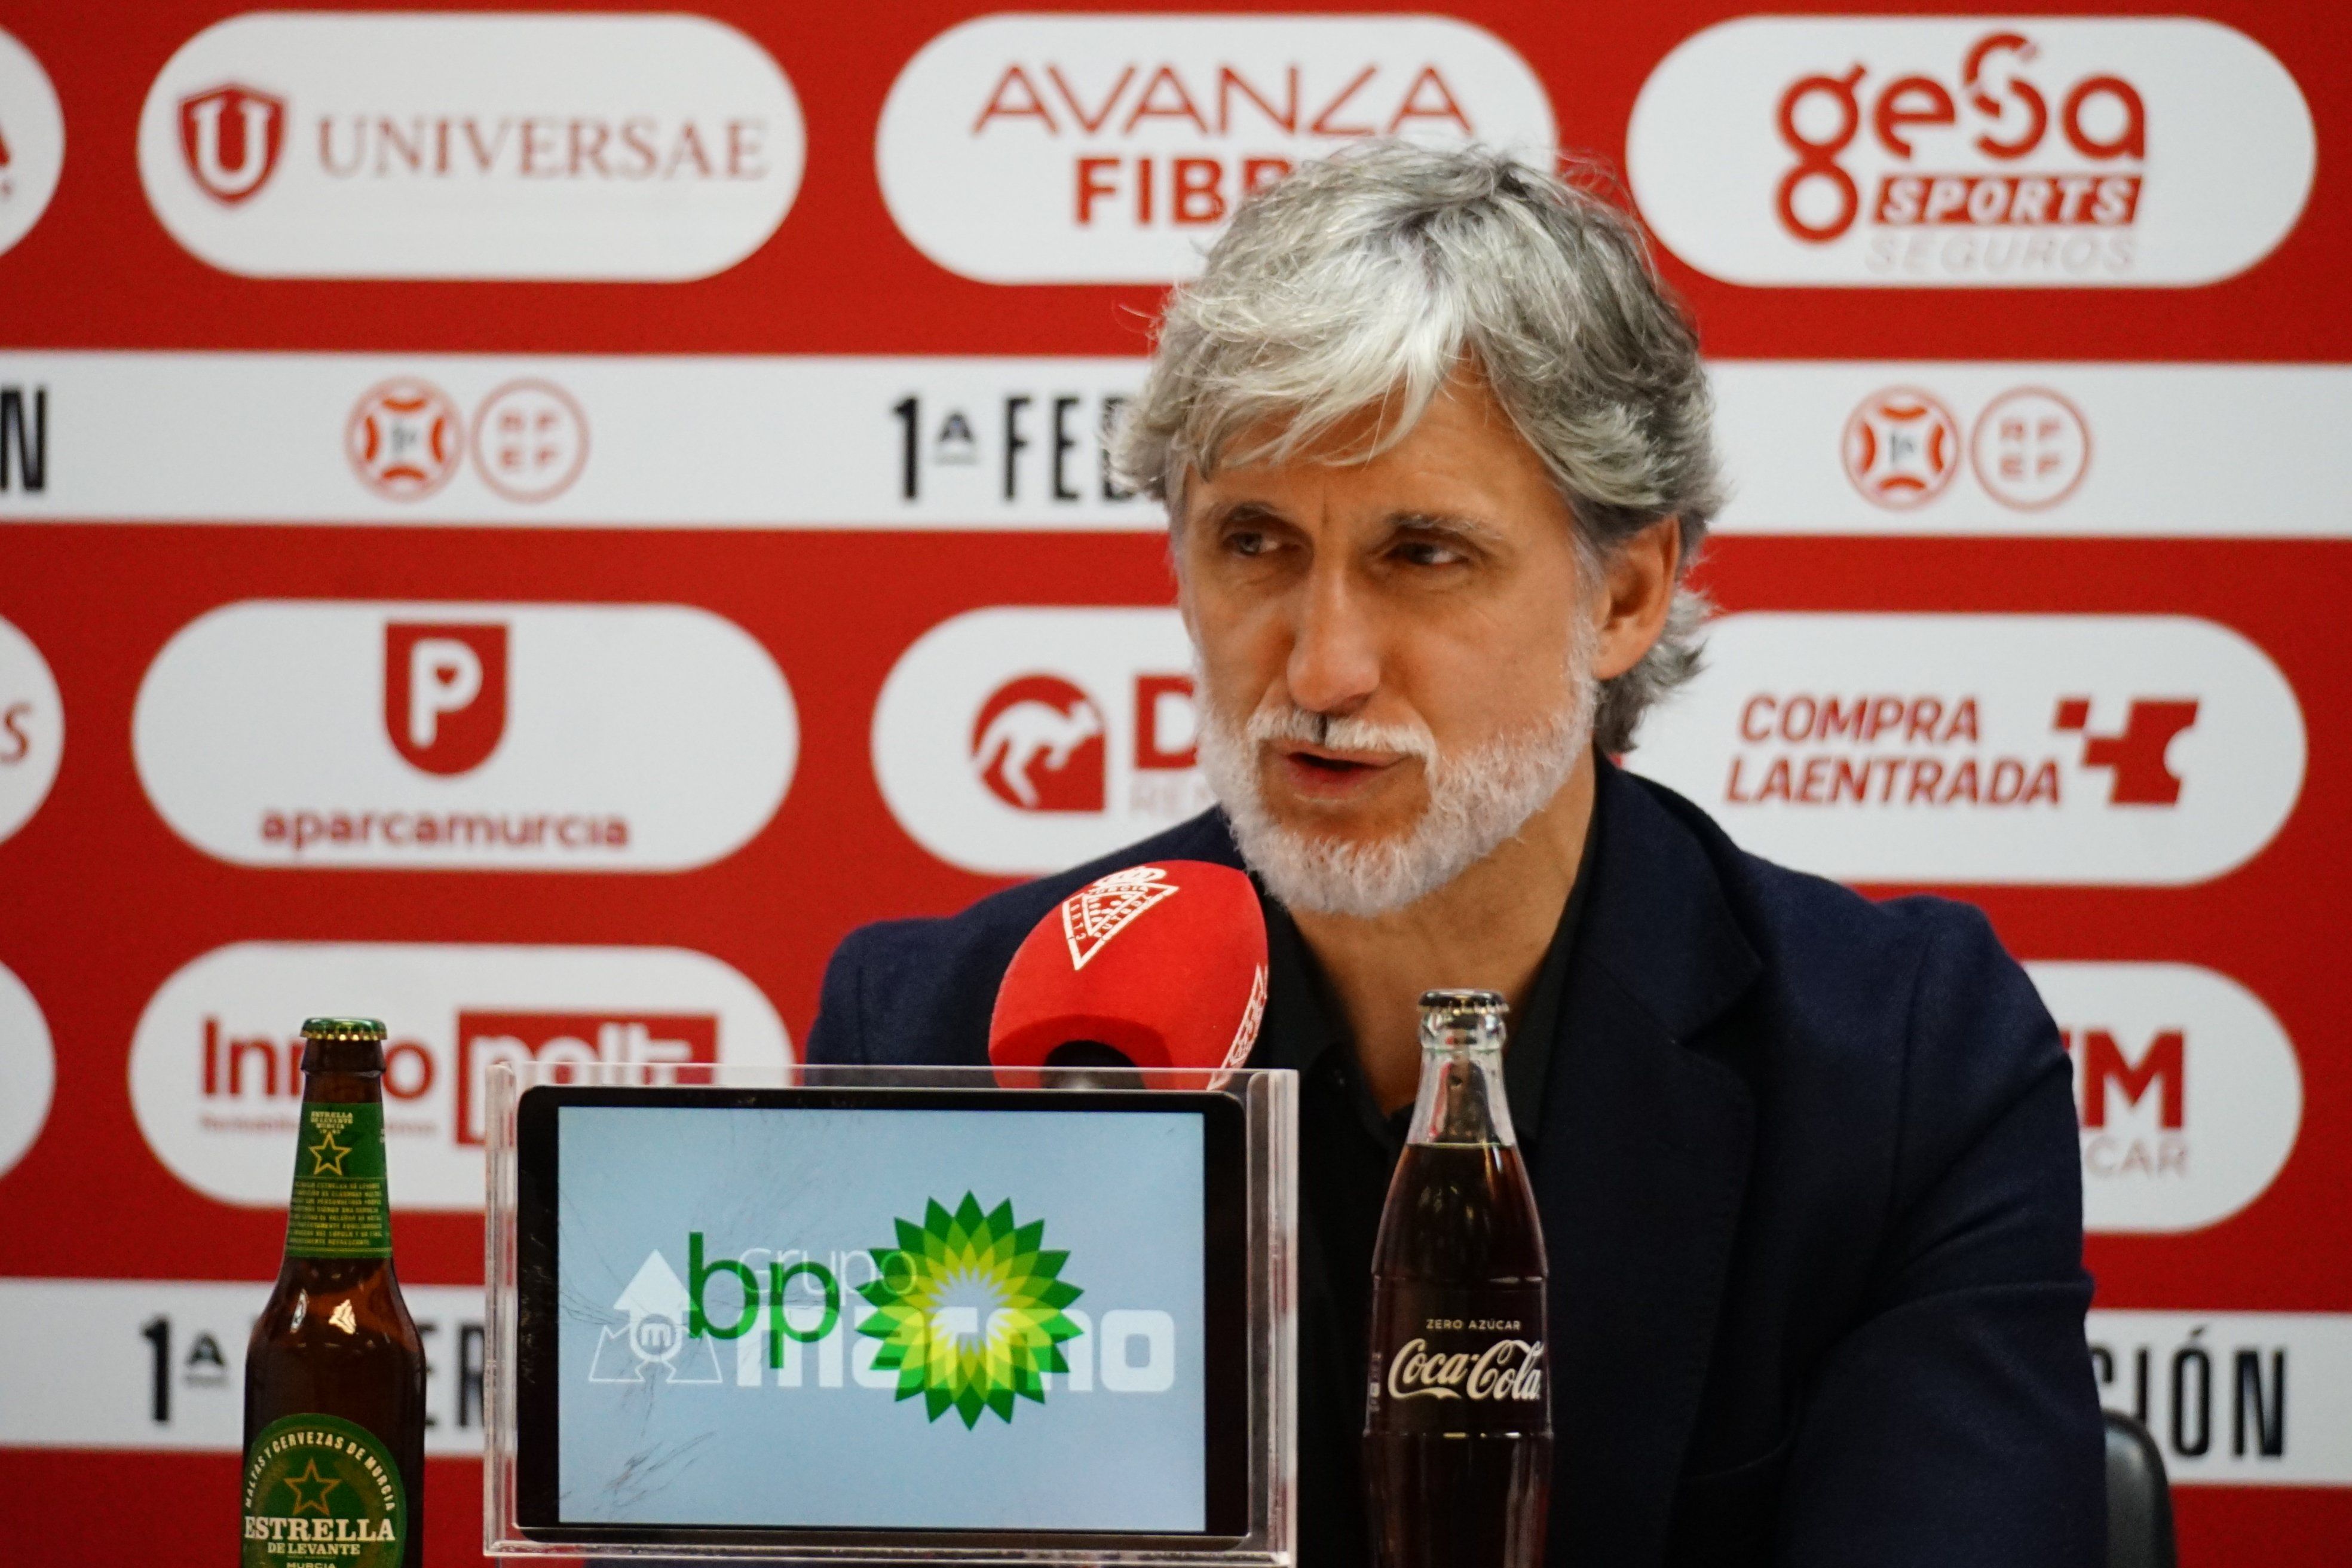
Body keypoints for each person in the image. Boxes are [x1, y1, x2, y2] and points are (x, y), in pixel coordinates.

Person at [807, 141, 2103, 1567]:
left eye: (1423, 553)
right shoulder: (948, 1030)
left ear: (1625, 593)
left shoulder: (1904, 1065)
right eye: (1255, 542)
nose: (1321, 665)